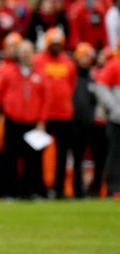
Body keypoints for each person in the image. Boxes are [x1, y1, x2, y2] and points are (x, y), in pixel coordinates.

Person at [0, 40, 49, 199]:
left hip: (33, 122)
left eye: (28, 50)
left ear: (34, 53)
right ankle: (12, 191)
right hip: (13, 120)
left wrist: (42, 121)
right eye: (22, 51)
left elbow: (46, 100)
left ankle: (31, 191)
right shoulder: (8, 71)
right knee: (10, 157)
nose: (25, 54)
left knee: (33, 159)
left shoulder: (40, 73)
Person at [33, 28, 78, 198]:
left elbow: (71, 86)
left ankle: (59, 189)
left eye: (59, 44)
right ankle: (41, 188)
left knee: (62, 155)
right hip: (44, 115)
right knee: (39, 154)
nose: (56, 47)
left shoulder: (68, 63)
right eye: (54, 43)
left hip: (64, 114)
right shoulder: (38, 61)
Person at [71, 43, 98, 198]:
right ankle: (73, 188)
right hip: (73, 123)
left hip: (89, 124)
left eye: (87, 57)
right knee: (73, 158)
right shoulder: (72, 76)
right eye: (82, 57)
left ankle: (84, 189)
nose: (85, 60)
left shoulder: (92, 78)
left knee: (83, 159)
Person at [94, 48, 120, 197]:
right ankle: (113, 188)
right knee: (115, 154)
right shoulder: (114, 64)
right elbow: (101, 87)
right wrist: (115, 109)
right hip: (117, 120)